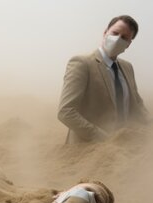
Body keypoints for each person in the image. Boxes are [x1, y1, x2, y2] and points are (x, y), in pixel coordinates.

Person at [58, 15, 150, 144]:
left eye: (124, 37)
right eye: (115, 33)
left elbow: (137, 106)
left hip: (123, 151)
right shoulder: (82, 63)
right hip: (86, 151)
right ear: (105, 32)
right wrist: (105, 139)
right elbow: (65, 111)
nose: (118, 39)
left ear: (129, 44)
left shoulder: (127, 67)